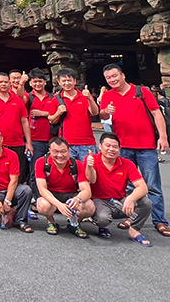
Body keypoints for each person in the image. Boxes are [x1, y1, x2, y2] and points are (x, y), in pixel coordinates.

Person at [100, 64, 170, 237]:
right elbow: (102, 115)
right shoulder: (108, 95)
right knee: (128, 186)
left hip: (146, 145)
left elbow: (157, 113)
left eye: (114, 76)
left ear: (122, 75)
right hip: (122, 147)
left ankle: (159, 220)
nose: (112, 80)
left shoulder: (141, 91)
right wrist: (106, 111)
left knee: (152, 185)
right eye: (108, 78)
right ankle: (131, 217)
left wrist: (163, 137)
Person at [87, 132, 153, 245]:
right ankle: (102, 226)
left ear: (119, 149)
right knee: (103, 219)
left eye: (115, 147)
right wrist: (89, 166)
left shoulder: (127, 163)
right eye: (108, 146)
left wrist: (131, 198)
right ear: (100, 146)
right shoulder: (92, 159)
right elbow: (91, 180)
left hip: (119, 200)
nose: (111, 149)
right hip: (99, 200)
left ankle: (134, 230)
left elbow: (143, 187)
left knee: (146, 202)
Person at [34, 136, 95, 238]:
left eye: (63, 151)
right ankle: (51, 221)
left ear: (69, 151)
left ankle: (75, 223)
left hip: (71, 195)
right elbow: (42, 189)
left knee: (89, 207)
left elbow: (87, 191)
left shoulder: (77, 164)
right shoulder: (41, 162)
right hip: (52, 195)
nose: (60, 155)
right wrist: (59, 205)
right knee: (42, 205)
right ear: (50, 151)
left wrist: (77, 199)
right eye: (55, 151)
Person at [24, 69, 61, 198]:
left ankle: (52, 197)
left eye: (40, 81)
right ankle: (37, 198)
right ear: (30, 83)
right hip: (35, 140)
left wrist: (43, 113)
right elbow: (19, 99)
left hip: (52, 139)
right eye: (34, 81)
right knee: (35, 170)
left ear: (45, 82)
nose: (38, 84)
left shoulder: (53, 97)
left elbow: (59, 113)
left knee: (53, 170)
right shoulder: (29, 97)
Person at [55, 68, 98, 160]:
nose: (67, 83)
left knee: (89, 168)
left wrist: (89, 98)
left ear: (74, 81)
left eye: (69, 80)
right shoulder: (56, 98)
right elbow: (51, 120)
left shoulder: (84, 96)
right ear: (59, 82)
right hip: (66, 143)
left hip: (86, 142)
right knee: (68, 169)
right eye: (64, 81)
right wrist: (58, 113)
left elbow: (95, 112)